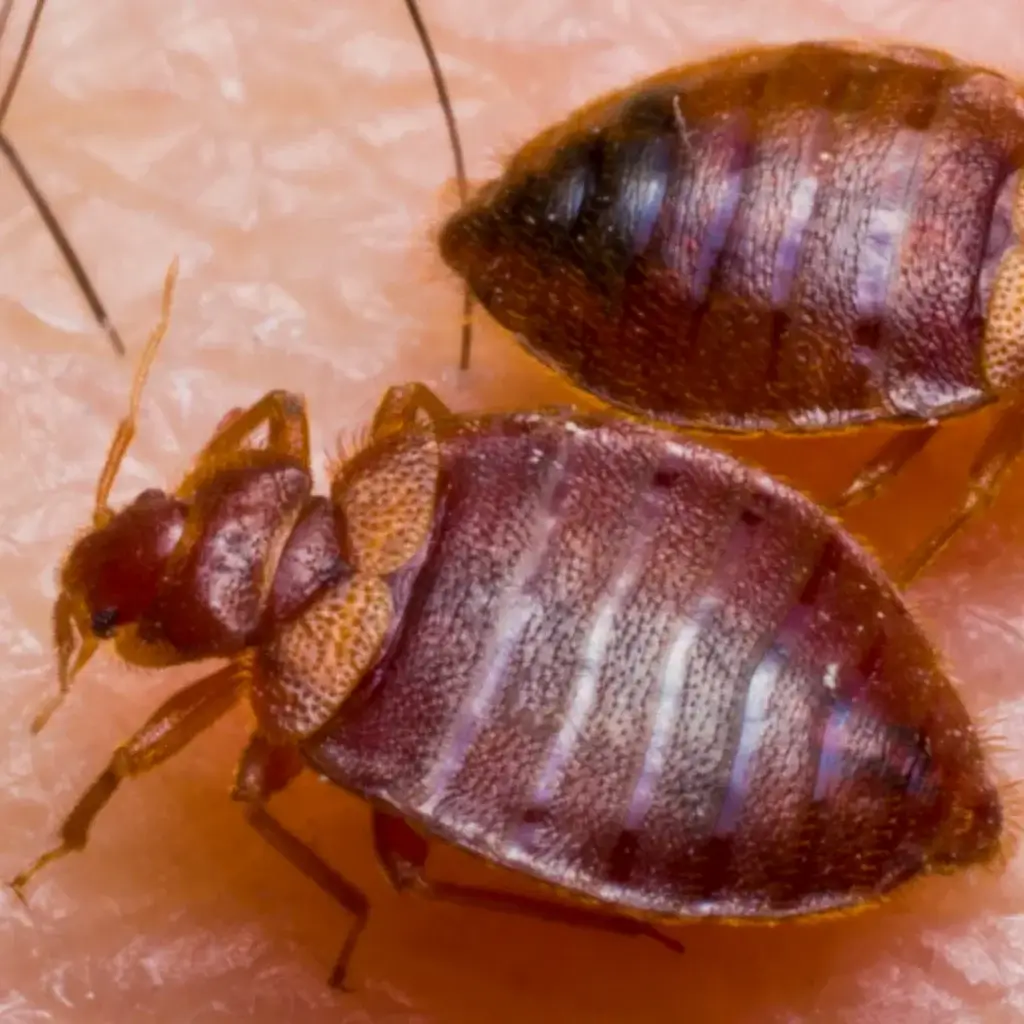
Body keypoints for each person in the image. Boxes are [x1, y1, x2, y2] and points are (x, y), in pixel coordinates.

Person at [1, 1, 1019, 1020]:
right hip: (664, 593)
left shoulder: (357, 551)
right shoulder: (399, 477)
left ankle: (646, 919)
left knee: (404, 870)